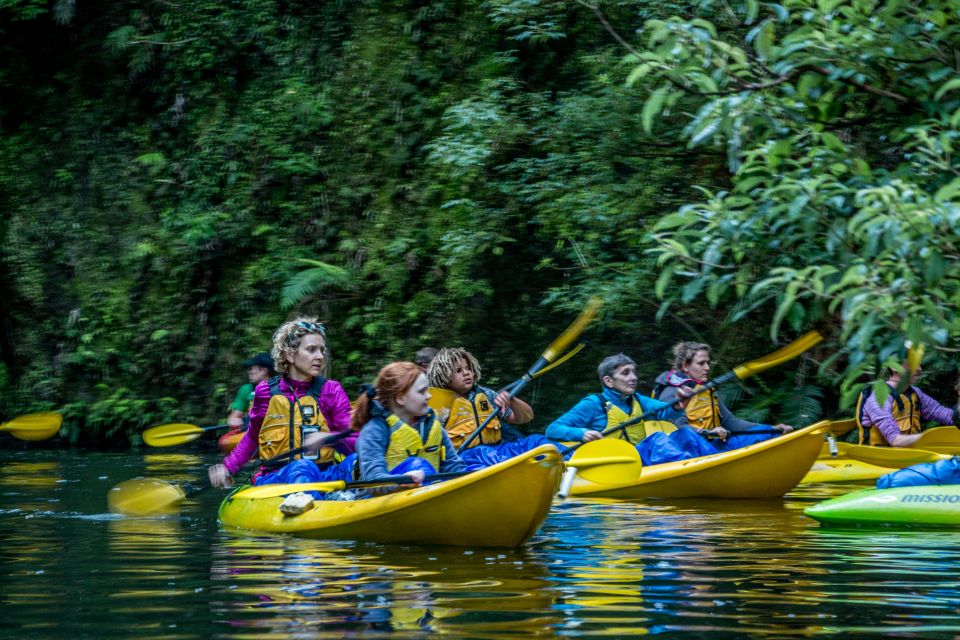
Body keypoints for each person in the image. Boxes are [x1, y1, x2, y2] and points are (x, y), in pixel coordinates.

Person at [207, 318, 357, 488]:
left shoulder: (331, 390)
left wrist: (330, 439)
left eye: (321, 350)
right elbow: (252, 437)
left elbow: (354, 442)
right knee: (302, 466)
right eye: (311, 350)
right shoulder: (265, 392)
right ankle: (304, 504)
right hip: (277, 479)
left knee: (358, 461)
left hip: (323, 477)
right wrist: (228, 467)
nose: (320, 356)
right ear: (290, 355)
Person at [546, 353, 709, 465]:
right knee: (657, 438)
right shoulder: (592, 404)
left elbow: (664, 411)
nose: (633, 378)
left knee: (686, 433)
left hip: (639, 458)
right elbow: (552, 430)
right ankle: (687, 466)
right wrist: (581, 433)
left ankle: (711, 461)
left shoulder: (638, 399)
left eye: (633, 372)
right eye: (626, 373)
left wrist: (677, 404)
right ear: (609, 381)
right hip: (616, 463)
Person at [653, 342, 793, 452]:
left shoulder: (706, 389)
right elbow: (679, 428)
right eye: (701, 363)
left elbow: (731, 422)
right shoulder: (672, 390)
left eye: (708, 363)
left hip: (713, 443)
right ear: (685, 366)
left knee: (767, 435)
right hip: (688, 449)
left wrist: (771, 428)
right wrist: (708, 433)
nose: (707, 368)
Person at [427, 347, 552, 468]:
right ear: (444, 376)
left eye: (468, 368)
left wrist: (512, 400)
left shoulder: (487, 395)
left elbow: (526, 418)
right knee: (484, 452)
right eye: (458, 371)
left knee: (536, 440)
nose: (466, 373)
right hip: (464, 458)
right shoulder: (439, 405)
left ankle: (567, 466)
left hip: (496, 450)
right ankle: (517, 469)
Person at [353, 361, 467, 484]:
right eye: (422, 391)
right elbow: (374, 480)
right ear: (400, 398)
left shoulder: (432, 424)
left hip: (430, 490)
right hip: (386, 497)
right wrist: (401, 481)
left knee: (481, 453)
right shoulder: (375, 430)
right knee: (416, 465)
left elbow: (454, 468)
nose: (429, 396)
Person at [856, 360, 957, 447]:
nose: (919, 369)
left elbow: (942, 413)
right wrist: (934, 437)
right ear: (894, 367)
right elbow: (895, 440)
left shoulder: (915, 393)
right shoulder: (877, 396)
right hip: (877, 459)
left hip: (907, 455)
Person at [225, 352, 274, 431]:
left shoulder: (281, 388)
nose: (249, 372)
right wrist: (233, 420)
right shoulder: (246, 389)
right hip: (252, 432)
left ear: (264, 371)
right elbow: (234, 416)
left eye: (251, 369)